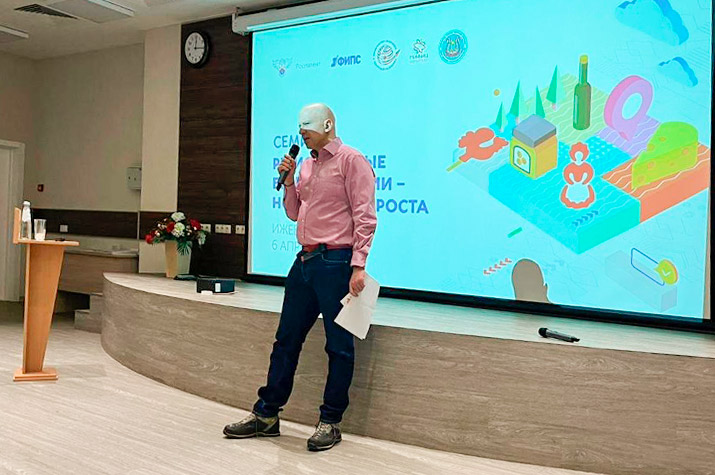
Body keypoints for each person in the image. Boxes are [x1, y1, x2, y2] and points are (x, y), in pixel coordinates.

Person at [224, 103, 377, 451]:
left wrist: (359, 265)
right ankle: (266, 415)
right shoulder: (306, 165)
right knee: (286, 341)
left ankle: (330, 421)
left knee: (339, 346)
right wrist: (289, 181)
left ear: (328, 124)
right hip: (305, 262)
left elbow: (365, 216)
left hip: (337, 262)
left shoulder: (352, 161)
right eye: (299, 125)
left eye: (308, 124)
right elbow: (294, 213)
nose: (301, 131)